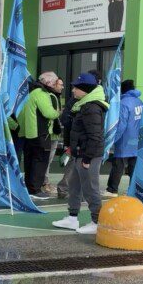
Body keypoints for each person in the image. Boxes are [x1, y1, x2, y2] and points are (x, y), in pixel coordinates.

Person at [53, 73, 108, 234]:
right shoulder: (82, 105)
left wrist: (88, 157)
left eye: (76, 88)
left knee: (91, 188)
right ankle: (72, 217)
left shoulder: (91, 108)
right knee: (75, 186)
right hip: (79, 153)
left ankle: (97, 221)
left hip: (87, 155)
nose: (73, 90)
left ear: (85, 90)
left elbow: (94, 136)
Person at [58, 69, 101, 199]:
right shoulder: (78, 102)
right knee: (76, 175)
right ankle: (72, 210)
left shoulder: (93, 105)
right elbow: (66, 120)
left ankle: (93, 215)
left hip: (85, 147)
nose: (72, 90)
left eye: (76, 87)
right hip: (78, 145)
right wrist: (70, 142)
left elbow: (94, 133)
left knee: (87, 181)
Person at [18, 72, 61, 199]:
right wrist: (58, 112)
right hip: (41, 133)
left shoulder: (30, 93)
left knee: (29, 162)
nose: (54, 85)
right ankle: (35, 190)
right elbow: (49, 113)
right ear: (48, 83)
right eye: (54, 83)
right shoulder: (41, 94)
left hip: (28, 133)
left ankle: (29, 187)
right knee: (40, 161)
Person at [104, 80, 142, 196]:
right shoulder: (139, 101)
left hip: (124, 138)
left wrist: (114, 138)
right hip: (136, 138)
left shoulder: (123, 103)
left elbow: (121, 124)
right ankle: (134, 189)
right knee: (133, 165)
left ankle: (112, 189)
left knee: (118, 164)